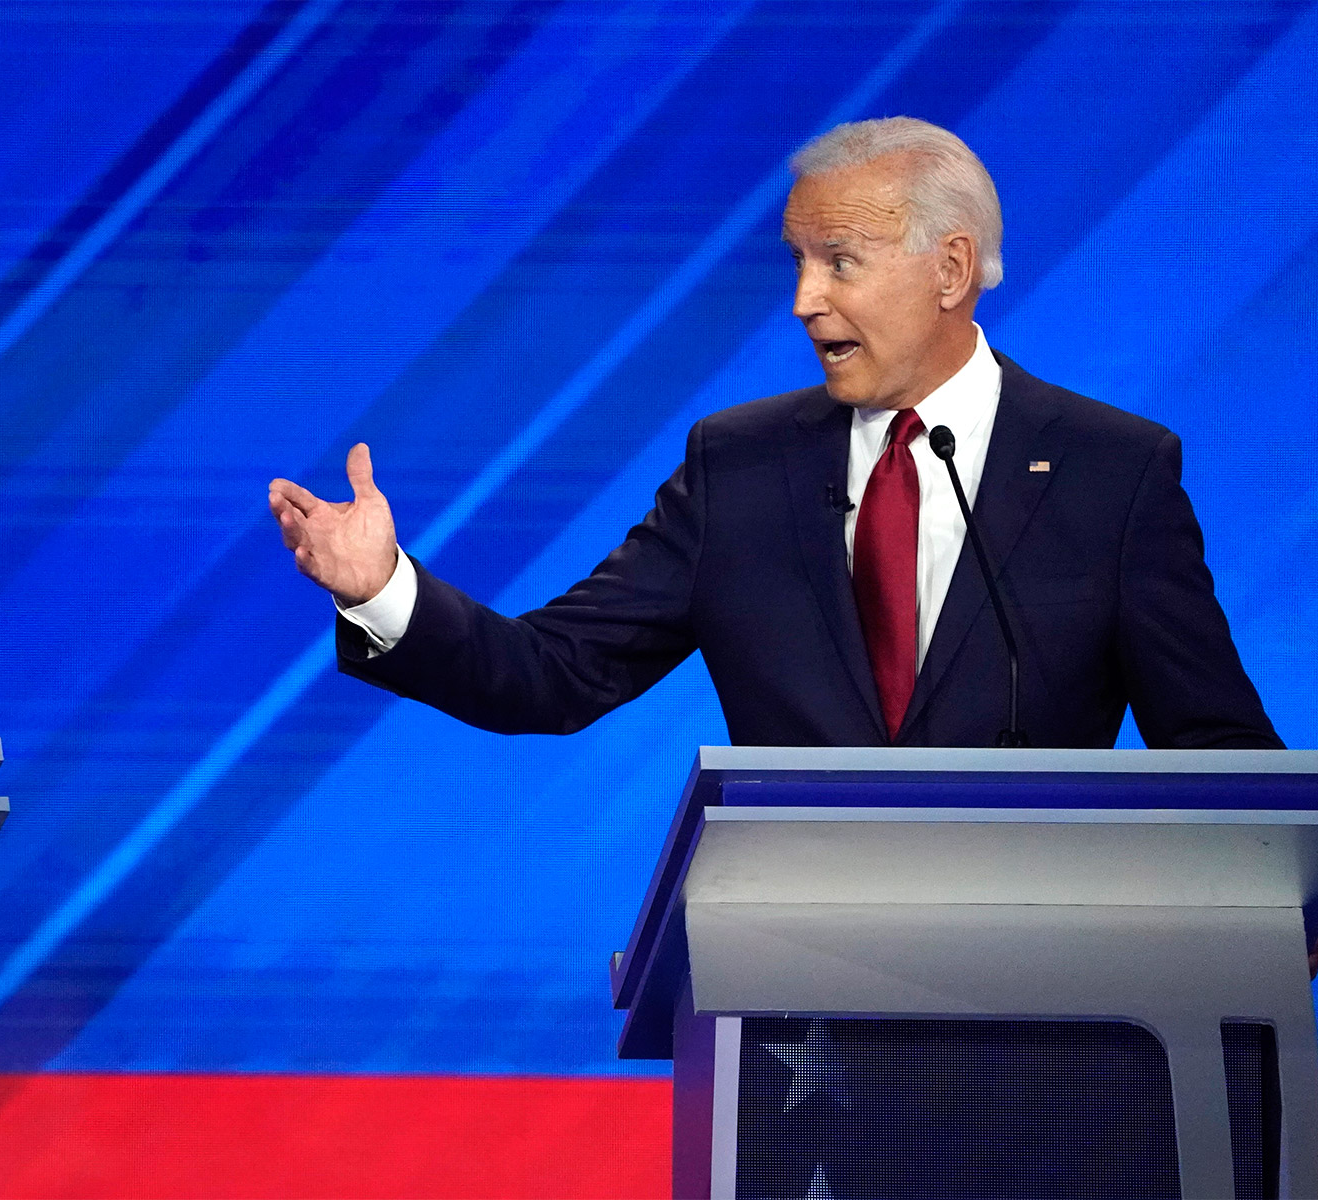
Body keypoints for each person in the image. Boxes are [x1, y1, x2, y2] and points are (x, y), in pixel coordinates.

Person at [269, 117, 1278, 753]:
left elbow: (1214, 742)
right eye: (796, 261)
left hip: (1044, 1000)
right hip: (798, 995)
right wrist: (381, 587)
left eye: (838, 261)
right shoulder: (738, 467)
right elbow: (552, 674)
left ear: (949, 268)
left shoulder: (1111, 471)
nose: (803, 300)